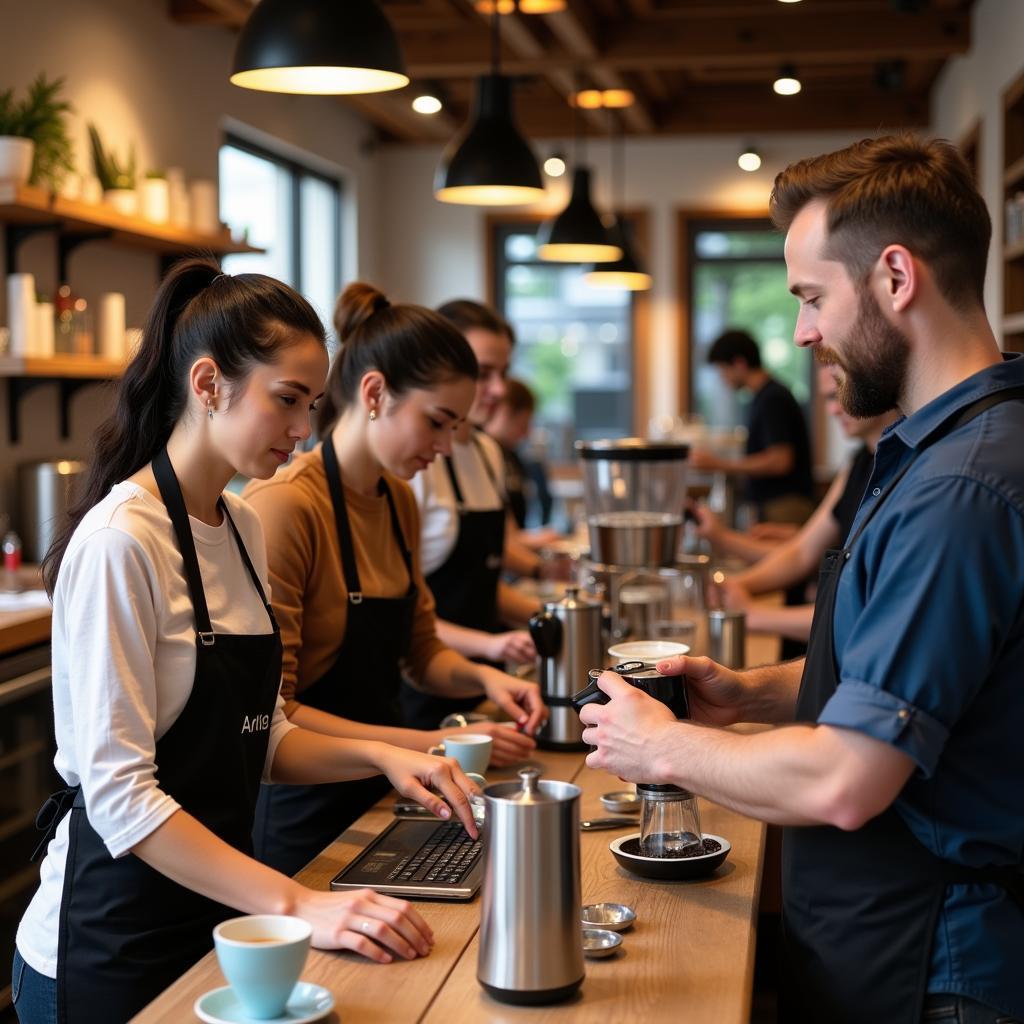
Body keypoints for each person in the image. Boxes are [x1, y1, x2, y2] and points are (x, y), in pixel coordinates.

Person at [578, 135, 1024, 1023]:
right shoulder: (935, 451)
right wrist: (747, 696)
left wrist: (660, 747)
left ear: (896, 278)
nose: (803, 332)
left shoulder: (961, 489)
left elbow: (845, 780)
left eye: (814, 297)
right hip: (887, 942)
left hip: (933, 963)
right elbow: (911, 684)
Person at [11, 260, 480, 1024]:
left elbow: (260, 737)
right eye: (287, 400)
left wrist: (389, 756)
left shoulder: (243, 525)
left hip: (219, 917)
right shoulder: (119, 543)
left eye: (312, 403)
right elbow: (122, 797)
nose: (303, 428)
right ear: (207, 385)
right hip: (107, 944)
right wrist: (298, 901)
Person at [244, 283, 544, 876]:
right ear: (375, 392)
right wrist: (427, 744)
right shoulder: (286, 506)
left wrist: (487, 677)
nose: (445, 446)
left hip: (384, 792)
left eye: (456, 427)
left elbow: (423, 651)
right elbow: (276, 710)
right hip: (304, 813)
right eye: (437, 422)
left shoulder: (399, 502)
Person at [402, 300, 541, 730]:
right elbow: (406, 615)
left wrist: (549, 618)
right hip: (421, 700)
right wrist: (493, 644)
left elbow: (479, 584)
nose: (499, 390)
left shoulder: (486, 453)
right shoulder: (415, 465)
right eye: (483, 373)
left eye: (503, 371)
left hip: (483, 692)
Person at [693, 365, 897, 643]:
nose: (833, 409)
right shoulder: (857, 462)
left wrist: (753, 615)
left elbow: (872, 616)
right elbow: (801, 551)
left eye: (839, 395)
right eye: (827, 398)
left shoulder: (908, 470)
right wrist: (735, 585)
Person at [691, 329, 815, 525]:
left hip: (786, 506)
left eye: (723, 369)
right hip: (777, 504)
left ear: (739, 364)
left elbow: (780, 460)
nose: (723, 378)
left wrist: (719, 464)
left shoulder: (773, 398)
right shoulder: (763, 397)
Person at [486, 378, 555, 536]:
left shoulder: (513, 456)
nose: (526, 433)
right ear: (505, 412)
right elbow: (500, 537)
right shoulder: (485, 454)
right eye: (523, 424)